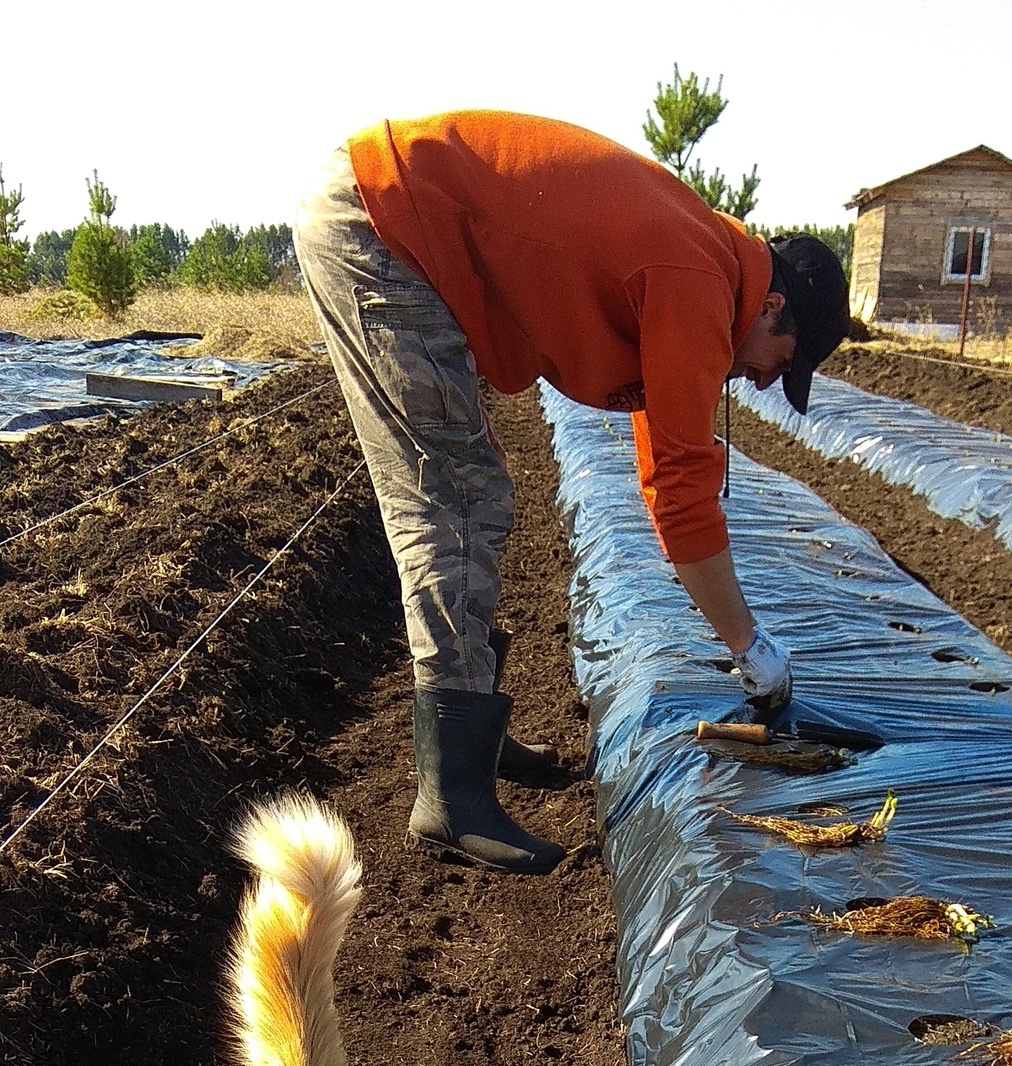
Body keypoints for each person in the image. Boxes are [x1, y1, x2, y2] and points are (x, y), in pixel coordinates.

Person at [294, 111, 850, 875]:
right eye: (778, 362)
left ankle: (471, 734)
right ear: (774, 306)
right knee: (451, 497)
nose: (760, 380)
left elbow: (667, 469)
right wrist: (750, 649)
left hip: (398, 217)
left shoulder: (706, 266)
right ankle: (452, 798)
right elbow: (682, 495)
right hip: (384, 225)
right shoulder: (698, 279)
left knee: (475, 490)